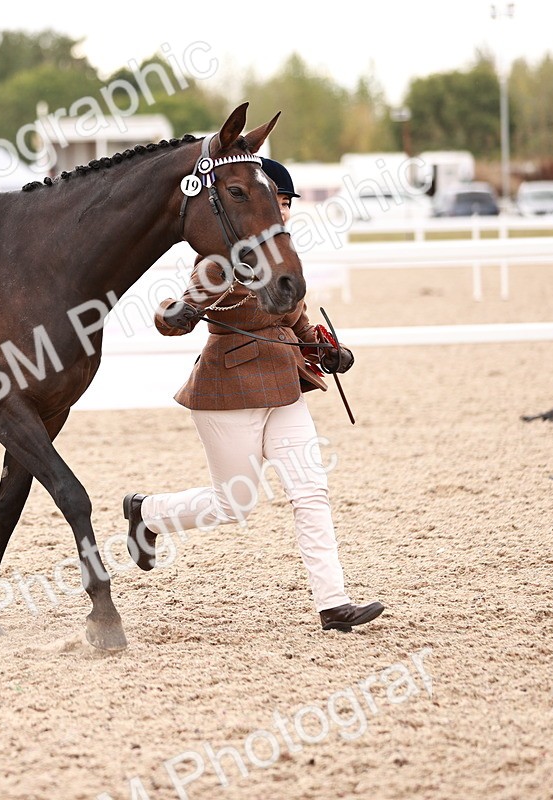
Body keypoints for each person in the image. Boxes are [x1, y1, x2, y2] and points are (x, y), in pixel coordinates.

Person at [123, 157, 385, 632]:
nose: (282, 212)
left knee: (311, 492)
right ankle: (148, 513)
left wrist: (326, 350)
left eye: (286, 204)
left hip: (286, 389)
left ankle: (333, 603)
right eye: (277, 203)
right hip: (229, 392)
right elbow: (174, 314)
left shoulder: (282, 255)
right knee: (234, 505)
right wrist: (177, 313)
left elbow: (294, 319)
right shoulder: (220, 261)